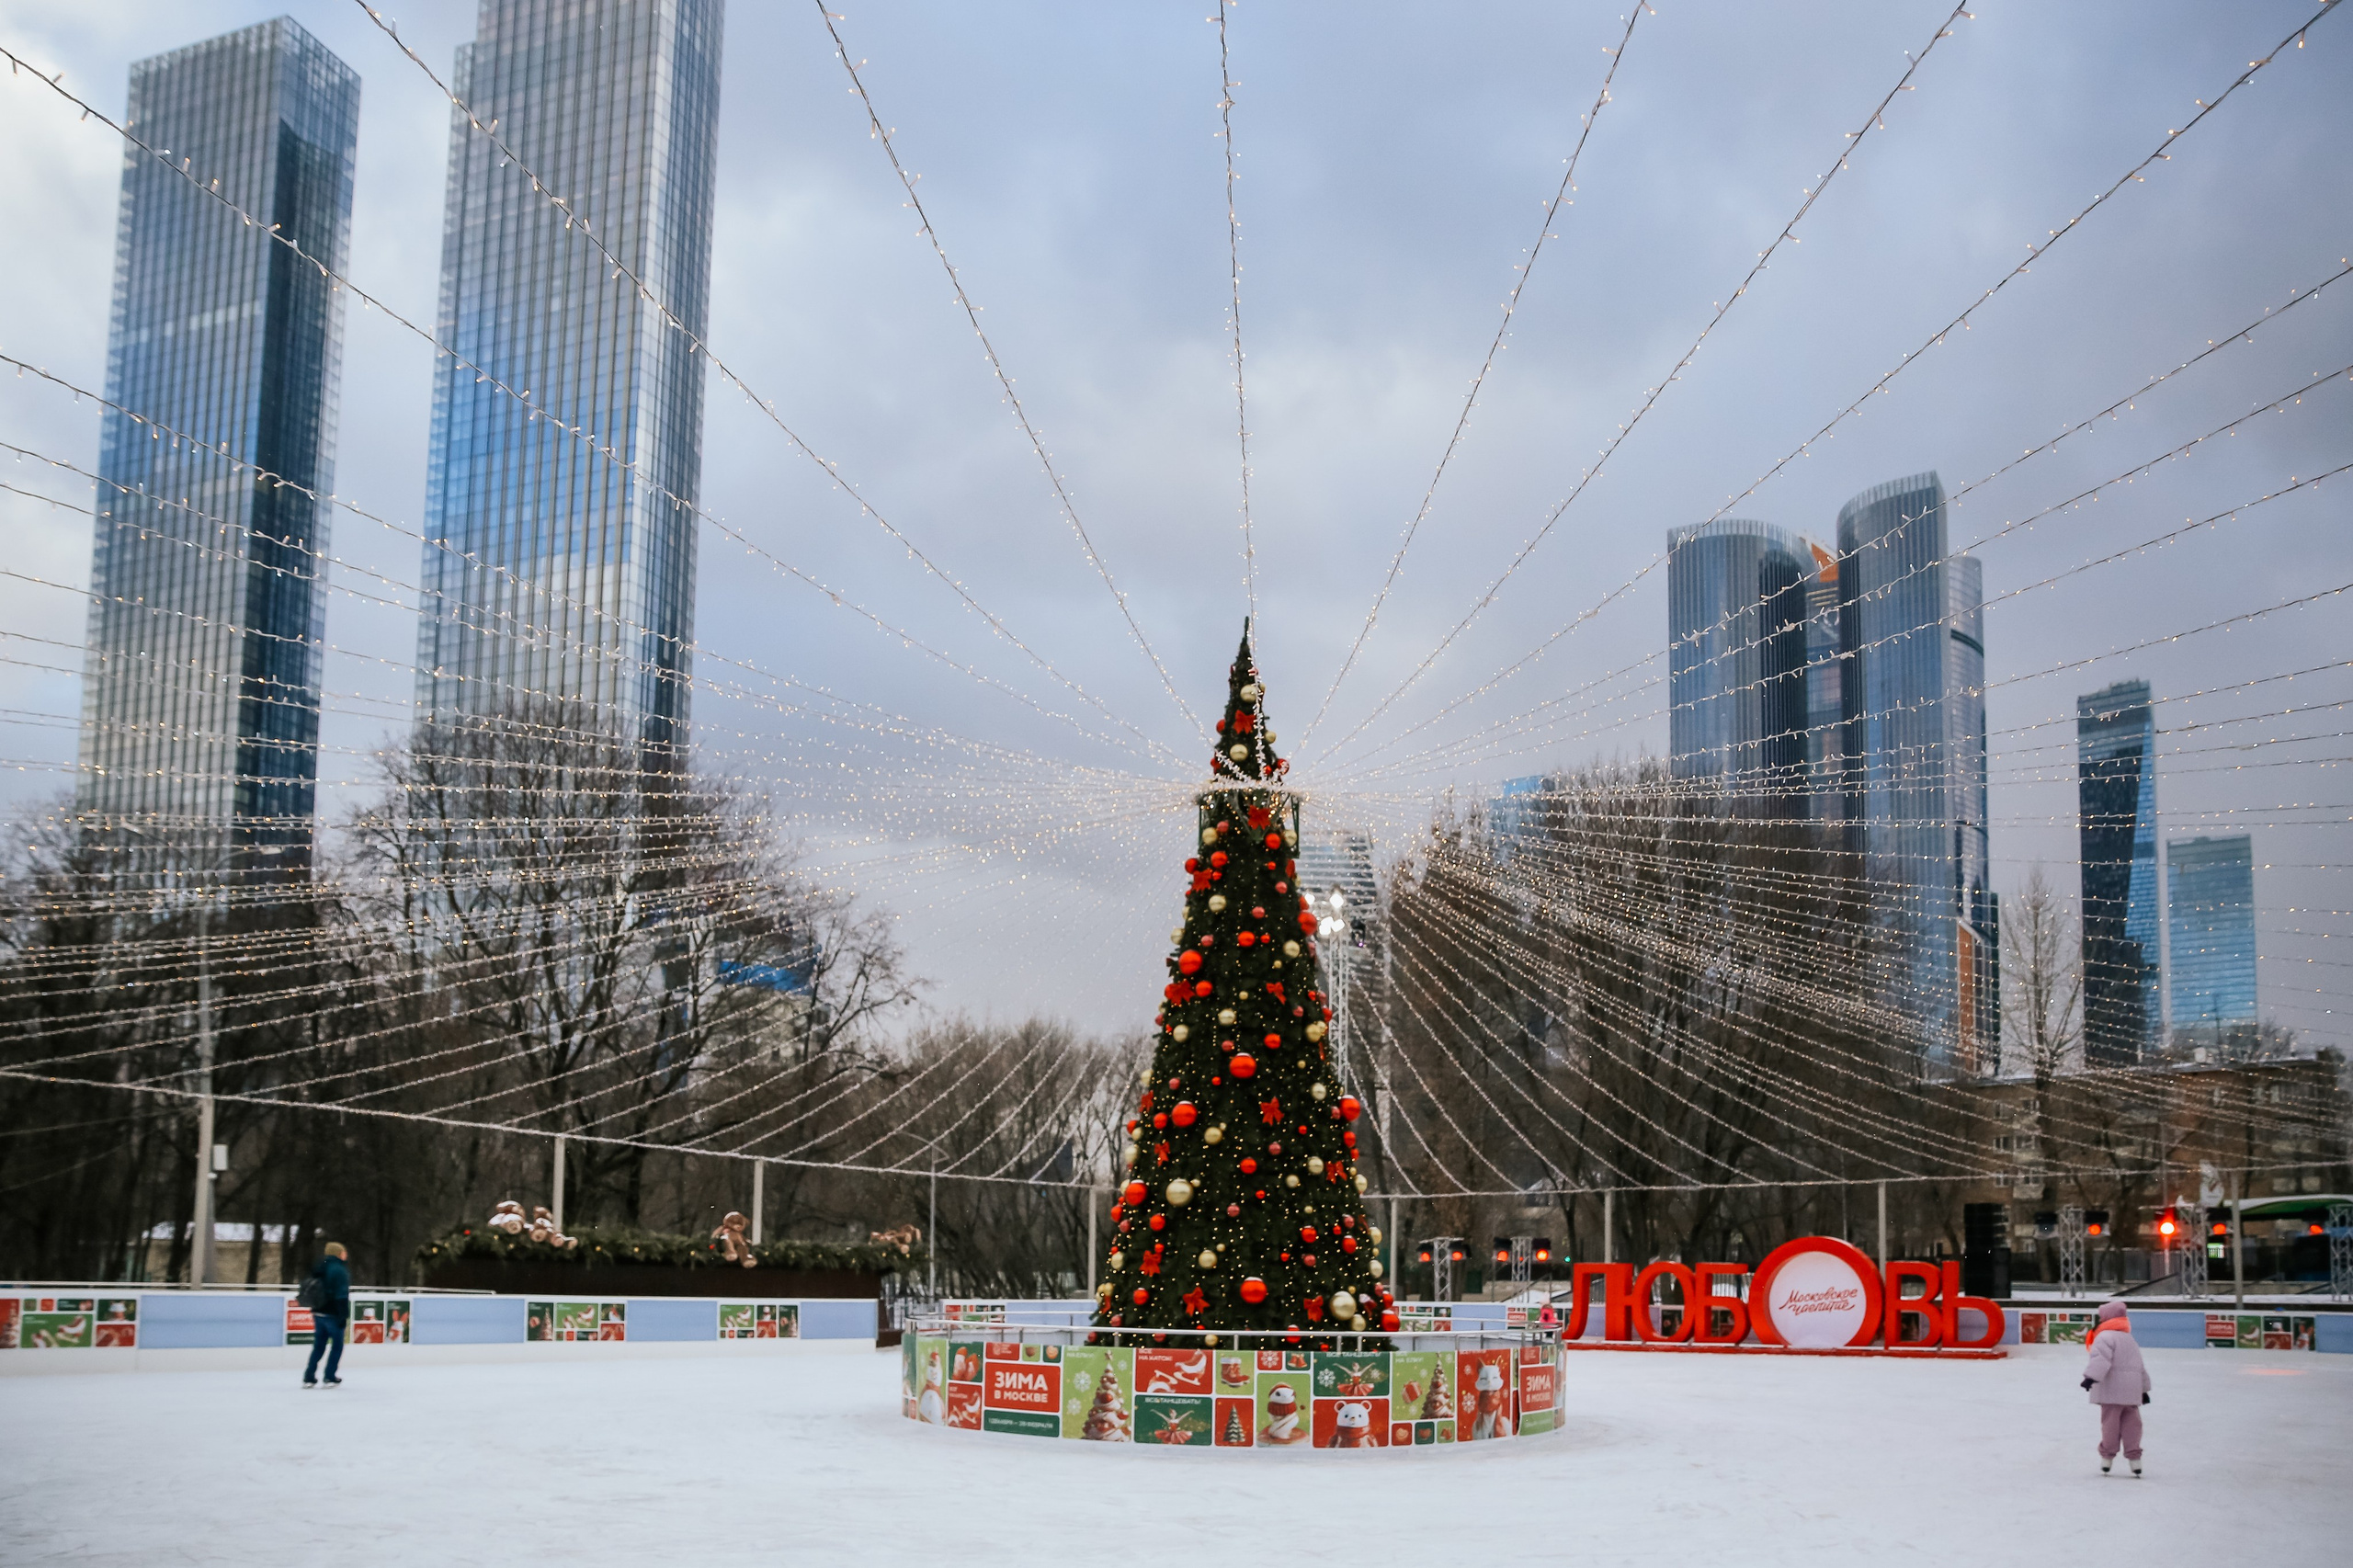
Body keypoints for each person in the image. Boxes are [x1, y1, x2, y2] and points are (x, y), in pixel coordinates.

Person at [2080, 1300, 2151, 1474]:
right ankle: (2135, 1459)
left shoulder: (2104, 1337)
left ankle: (2107, 1458)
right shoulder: (2129, 1339)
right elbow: (2139, 1366)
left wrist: (2090, 1377)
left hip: (2112, 1391)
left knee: (2110, 1424)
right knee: (2132, 1425)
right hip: (2131, 1391)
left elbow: (2101, 1360)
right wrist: (2144, 1390)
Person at [302, 1242, 352, 1389]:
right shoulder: (339, 1270)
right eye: (343, 1252)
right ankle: (329, 1376)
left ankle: (309, 1377)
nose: (346, 1254)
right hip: (333, 1313)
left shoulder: (320, 1265)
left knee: (319, 1346)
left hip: (318, 1311)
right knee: (337, 1346)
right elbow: (341, 1294)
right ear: (338, 1253)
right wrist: (343, 1315)